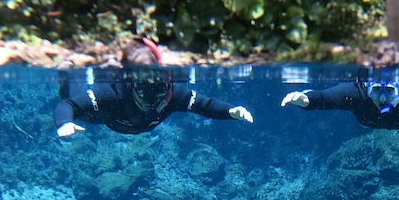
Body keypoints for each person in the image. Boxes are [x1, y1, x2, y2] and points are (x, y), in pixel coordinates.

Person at [55, 39, 254, 137]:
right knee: (72, 97)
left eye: (158, 92)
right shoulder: (112, 93)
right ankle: (65, 75)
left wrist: (230, 111)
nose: (151, 101)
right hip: (104, 117)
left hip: (122, 122)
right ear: (132, 85)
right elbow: (69, 105)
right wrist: (64, 123)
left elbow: (206, 105)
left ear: (167, 86)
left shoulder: (175, 95)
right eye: (143, 93)